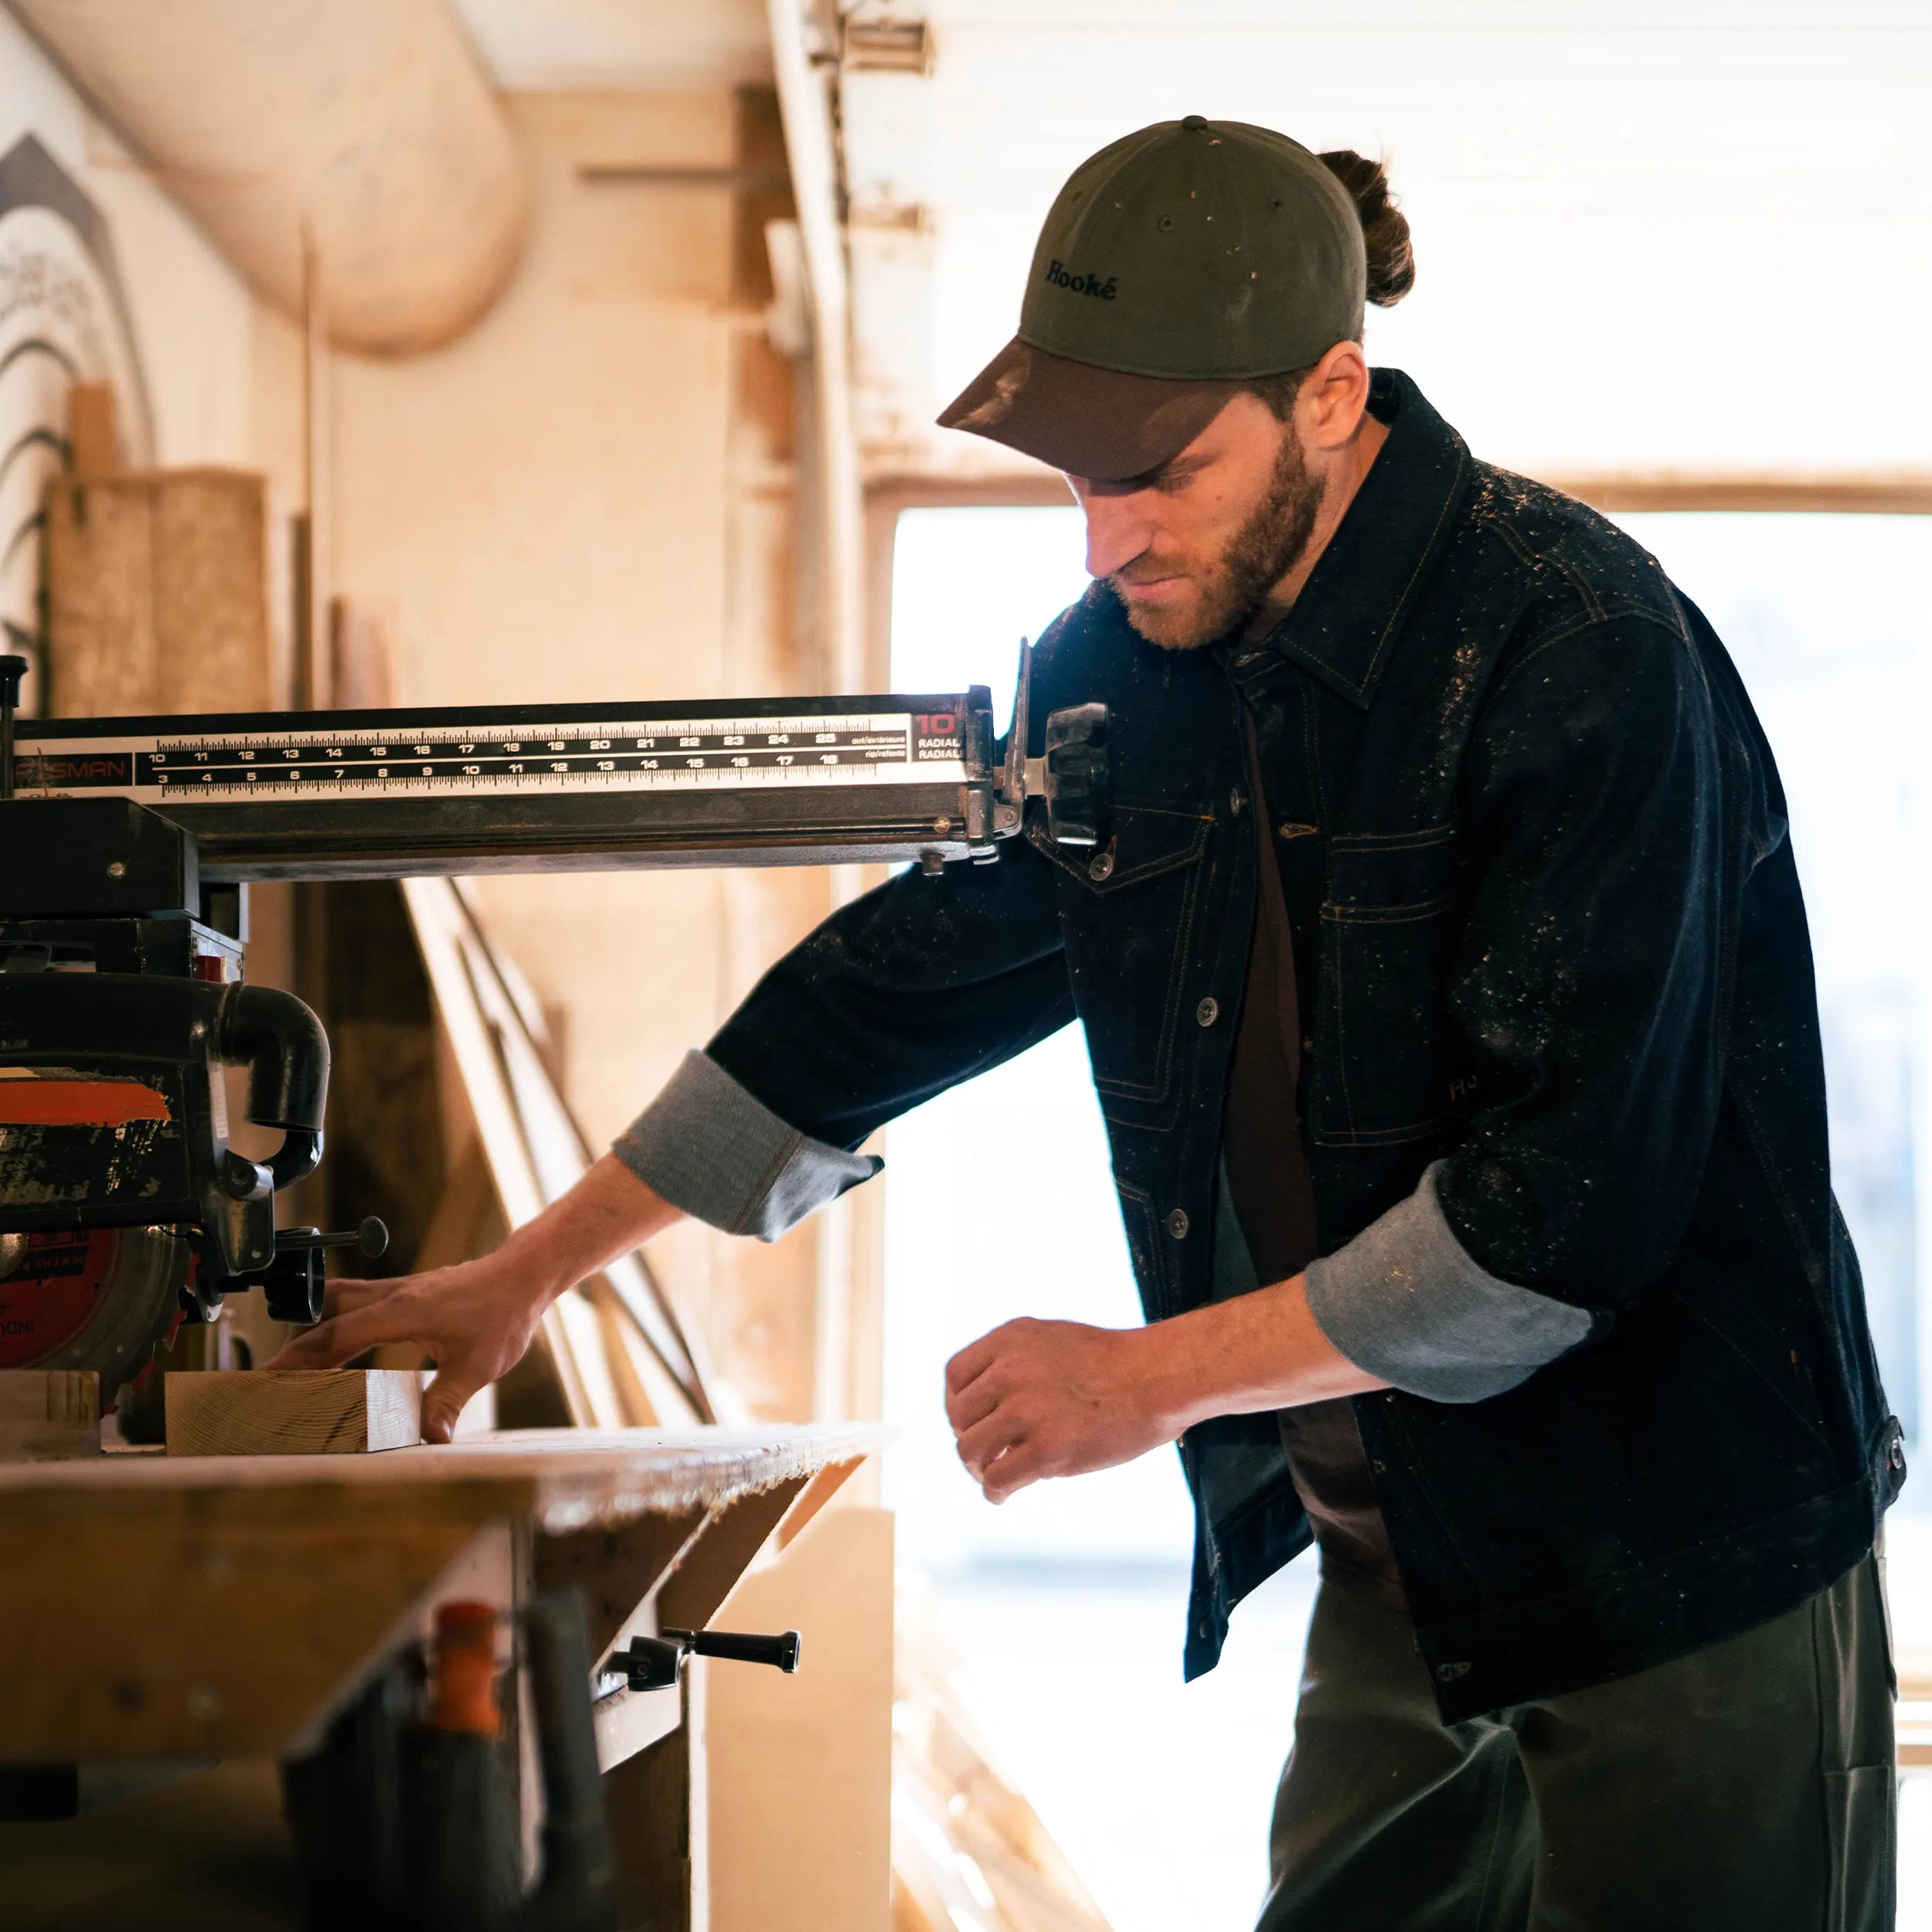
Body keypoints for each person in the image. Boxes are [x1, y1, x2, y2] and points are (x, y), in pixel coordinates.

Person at [272, 118, 1903, 1928]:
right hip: (1404, 1555)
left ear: (1330, 393)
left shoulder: (1568, 644)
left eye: (1162, 470)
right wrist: (528, 1271)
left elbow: (1552, 1230)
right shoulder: (1122, 672)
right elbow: (879, 1001)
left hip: (1681, 1545)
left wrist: (1139, 1379)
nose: (1108, 532)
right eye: (1071, 476)